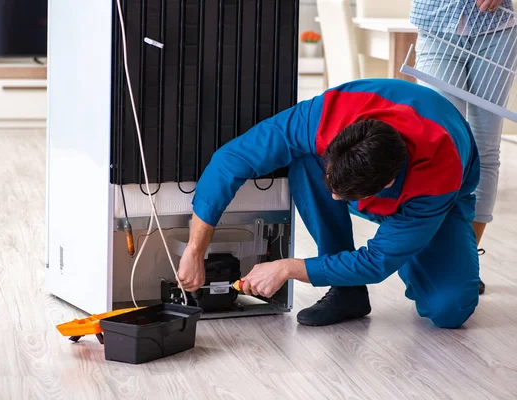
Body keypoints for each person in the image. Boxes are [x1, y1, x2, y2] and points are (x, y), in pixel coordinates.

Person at [177, 78, 481, 329]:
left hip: (440, 203)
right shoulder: (325, 116)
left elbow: (376, 262)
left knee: (449, 309)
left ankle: (412, 244)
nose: (333, 199)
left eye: (345, 195)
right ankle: (348, 292)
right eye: (333, 184)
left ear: (386, 186)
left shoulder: (438, 173)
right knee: (304, 161)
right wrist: (195, 248)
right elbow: (231, 161)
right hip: (382, 175)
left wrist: (287, 267)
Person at [410, 0, 517, 294]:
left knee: (484, 148)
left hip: (497, 29)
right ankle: (437, 253)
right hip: (435, 25)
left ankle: (465, 259)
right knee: (441, 145)